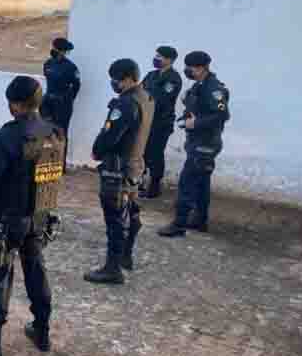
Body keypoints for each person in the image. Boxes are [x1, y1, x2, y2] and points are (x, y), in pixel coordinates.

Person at [0, 76, 65, 356]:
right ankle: (42, 331)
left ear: (15, 104)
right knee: (36, 271)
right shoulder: (55, 132)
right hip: (39, 215)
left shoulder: (6, 137)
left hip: (7, 220)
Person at [84, 59, 154, 285]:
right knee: (132, 213)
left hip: (118, 168)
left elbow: (110, 135)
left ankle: (113, 268)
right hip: (135, 165)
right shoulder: (147, 98)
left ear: (126, 79)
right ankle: (126, 256)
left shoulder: (125, 104)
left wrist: (97, 150)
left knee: (115, 220)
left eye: (115, 79)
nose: (113, 84)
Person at [159, 51, 230, 237]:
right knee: (201, 184)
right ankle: (200, 221)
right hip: (198, 142)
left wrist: (195, 123)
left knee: (187, 183)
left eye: (190, 68)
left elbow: (222, 115)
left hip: (205, 144)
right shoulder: (200, 85)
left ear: (201, 68)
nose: (187, 71)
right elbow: (197, 108)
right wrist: (187, 116)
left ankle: (179, 225)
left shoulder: (213, 88)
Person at [140, 46, 183, 199]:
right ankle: (139, 182)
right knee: (141, 153)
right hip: (145, 121)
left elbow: (162, 101)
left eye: (160, 56)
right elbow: (140, 92)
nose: (156, 58)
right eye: (156, 55)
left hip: (160, 123)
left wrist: (146, 102)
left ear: (169, 60)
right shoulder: (151, 75)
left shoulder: (173, 79)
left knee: (155, 154)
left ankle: (154, 187)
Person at [43, 37, 81, 173]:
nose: (54, 50)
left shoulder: (71, 67)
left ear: (63, 52)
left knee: (60, 133)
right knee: (46, 132)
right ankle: (45, 163)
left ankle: (60, 166)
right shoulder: (47, 63)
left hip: (62, 104)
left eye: (57, 49)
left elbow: (76, 85)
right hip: (47, 102)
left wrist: (68, 99)